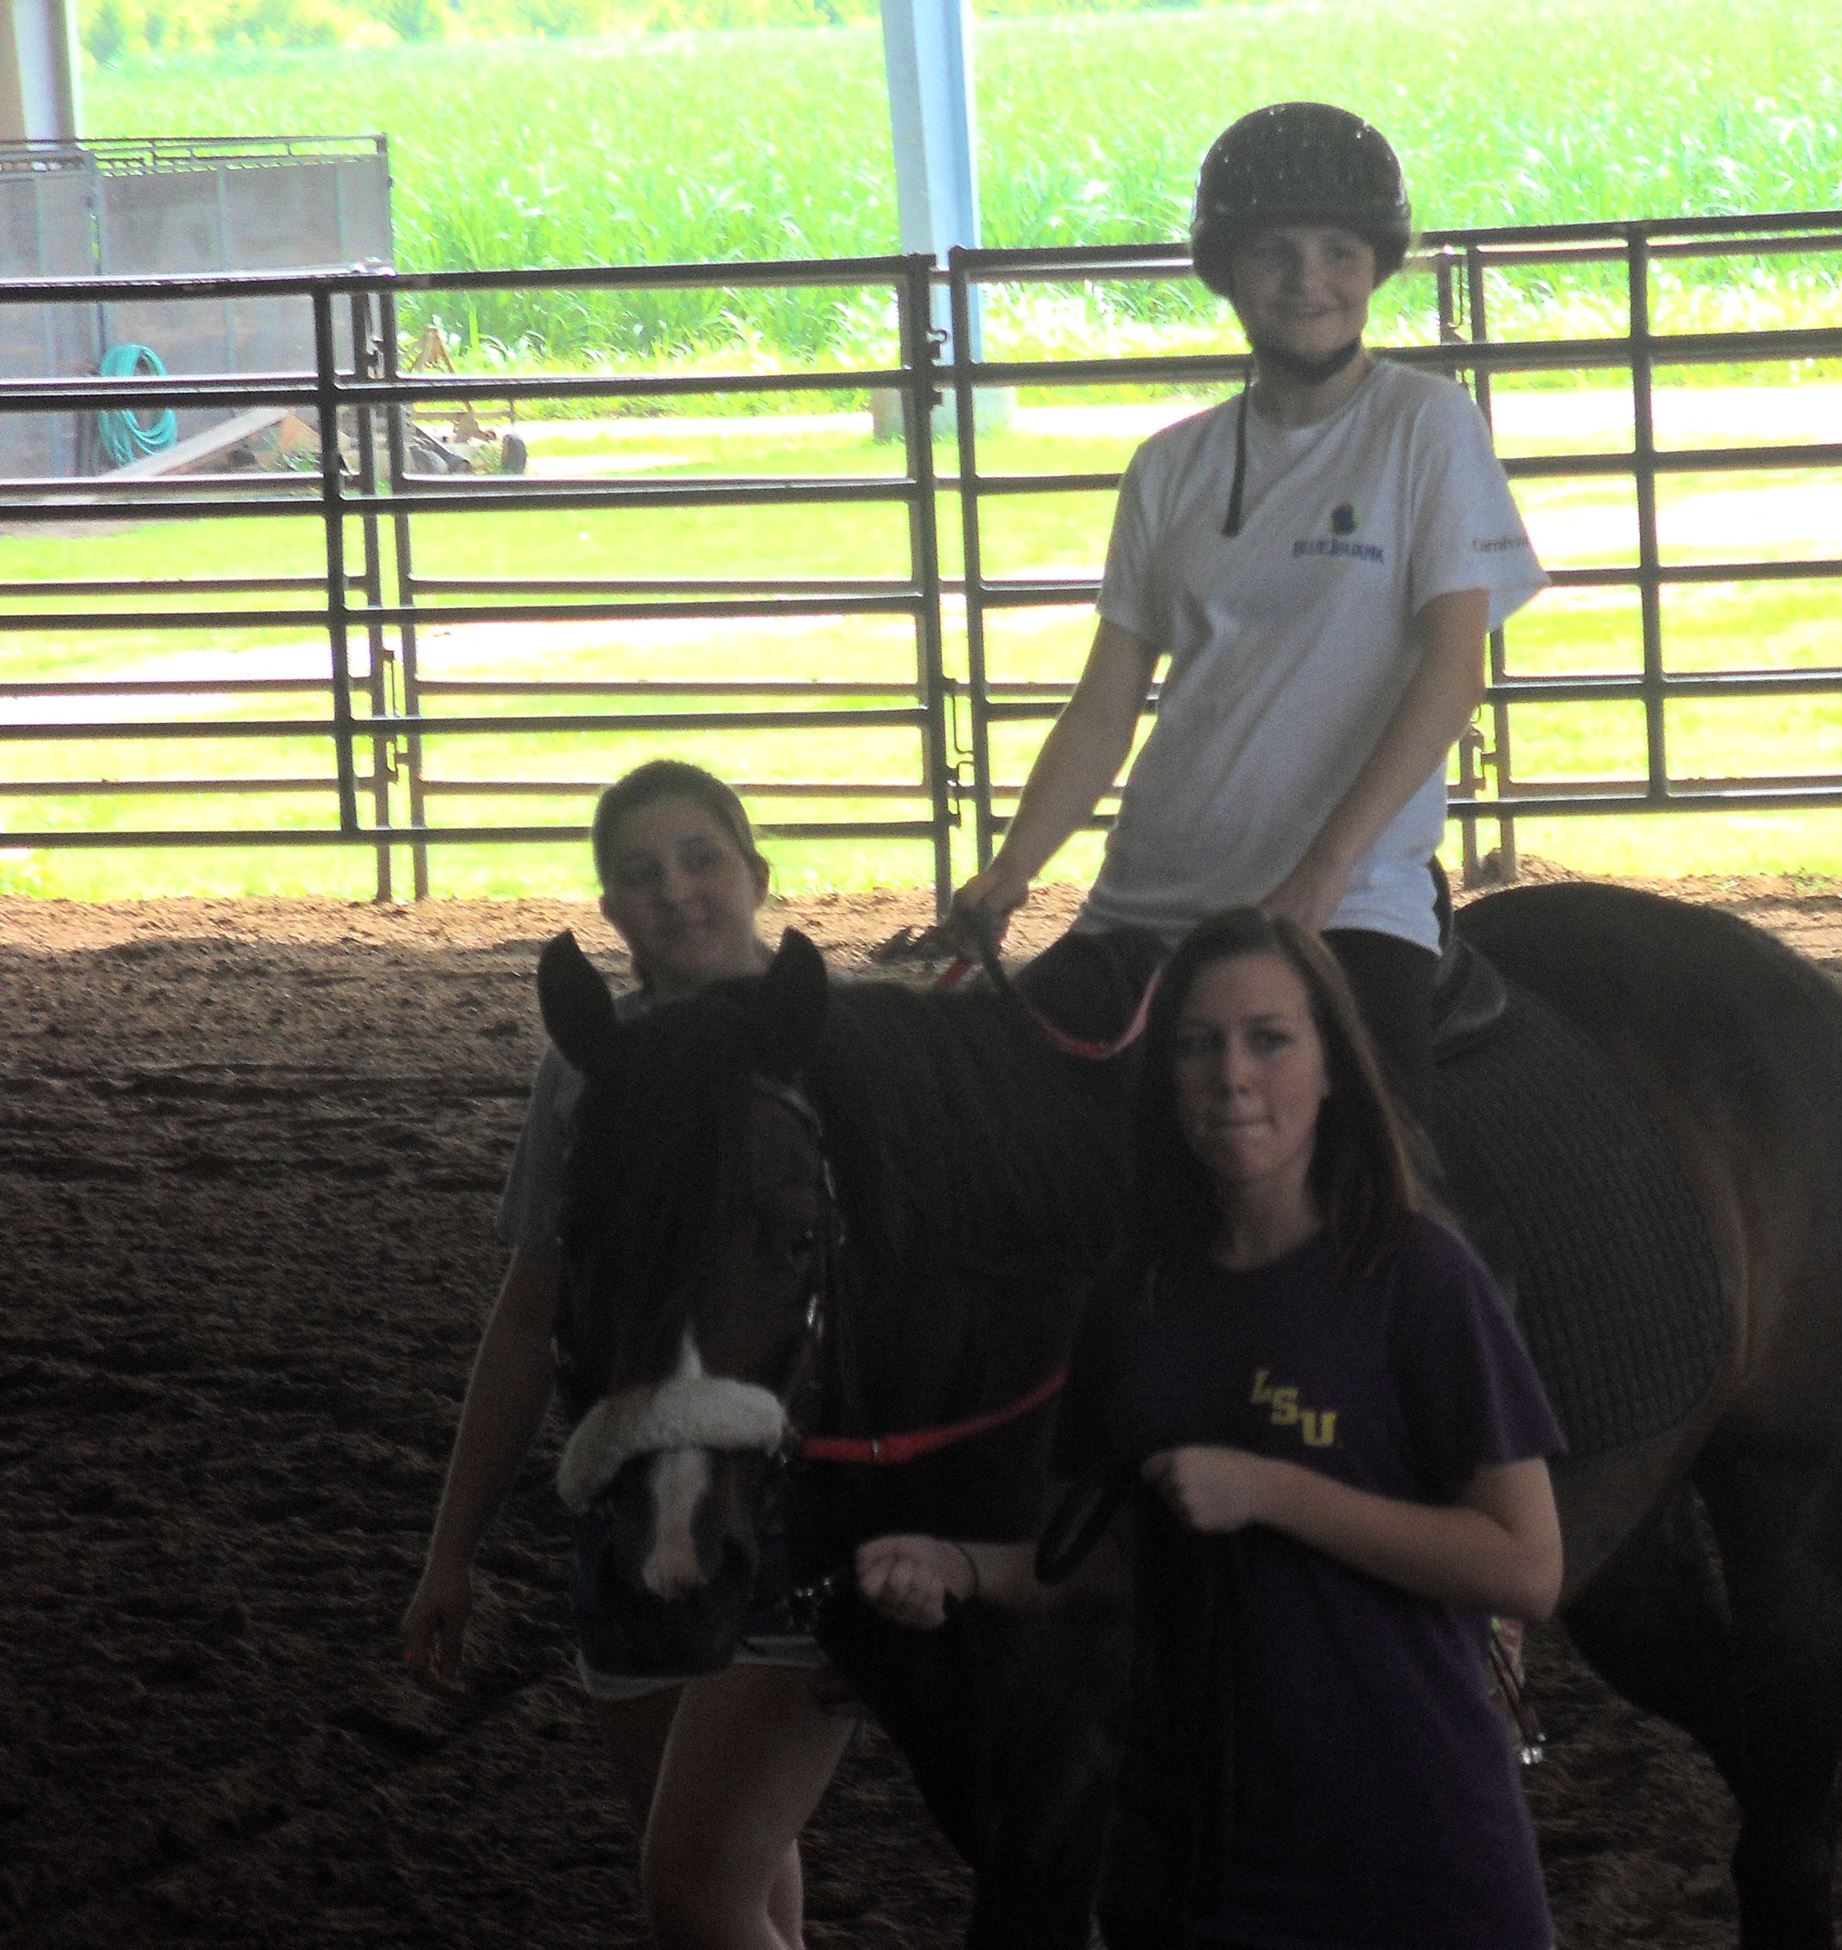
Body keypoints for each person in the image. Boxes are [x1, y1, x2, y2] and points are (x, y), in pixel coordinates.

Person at [855, 907, 1566, 1950]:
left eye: (1268, 1040)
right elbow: (1119, 1564)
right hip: (1191, 1855)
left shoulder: (1418, 1277)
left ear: (1332, 1067)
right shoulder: (1130, 1300)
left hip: (1412, 1846)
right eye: (1196, 1045)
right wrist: (958, 1565)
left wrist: (1274, 1492)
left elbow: (1525, 1567)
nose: (1230, 1075)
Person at [944, 102, 1547, 1118]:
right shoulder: (1166, 467)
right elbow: (1105, 705)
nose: (1308, 279)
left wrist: (1323, 873)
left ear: (1375, 265)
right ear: (1226, 270)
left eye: (1338, 251)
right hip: (1143, 904)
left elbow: (1454, 674)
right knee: (983, 1123)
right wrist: (1011, 870)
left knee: (1377, 1175)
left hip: (1350, 908)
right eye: (1274, 252)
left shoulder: (1427, 426)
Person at [401, 759, 850, 1950]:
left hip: (804, 1511)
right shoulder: (582, 1074)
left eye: (701, 859)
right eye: (641, 874)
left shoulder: (848, 1043)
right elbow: (528, 1317)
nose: (676, 891)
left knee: (693, 1892)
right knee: (733, 1876)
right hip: (624, 1500)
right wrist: (451, 1547)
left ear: (755, 873)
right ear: (609, 910)